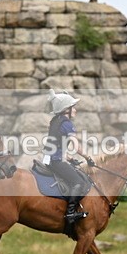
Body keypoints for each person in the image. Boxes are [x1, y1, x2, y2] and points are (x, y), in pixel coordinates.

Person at [43, 89, 88, 224]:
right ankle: (70, 213)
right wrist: (88, 157)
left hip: (49, 158)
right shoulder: (67, 124)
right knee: (79, 182)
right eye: (73, 107)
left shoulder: (55, 120)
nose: (75, 110)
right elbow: (76, 146)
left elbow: (56, 144)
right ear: (66, 109)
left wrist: (68, 158)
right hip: (56, 161)